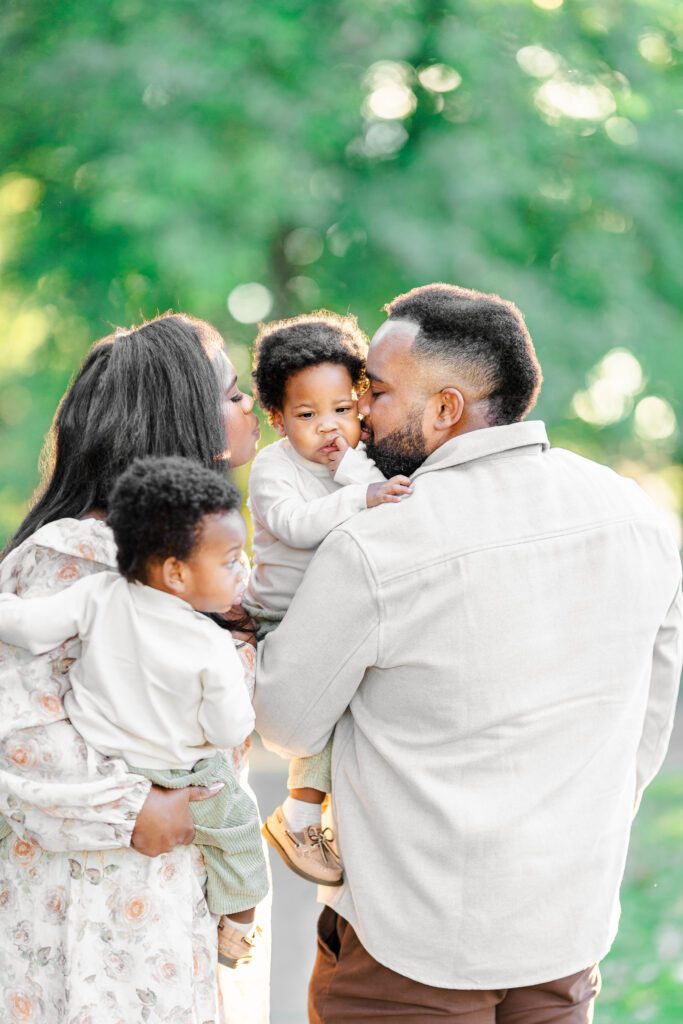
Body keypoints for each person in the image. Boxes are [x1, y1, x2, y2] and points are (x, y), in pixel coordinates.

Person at [254, 283, 683, 1023]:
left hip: (407, 950)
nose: (358, 417)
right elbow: (645, 730)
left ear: (445, 408)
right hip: (562, 935)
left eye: (376, 392)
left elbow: (285, 725)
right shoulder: (638, 518)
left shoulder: (375, 545)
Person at [0, 313, 270, 1023]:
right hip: (86, 909)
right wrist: (139, 810)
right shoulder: (71, 558)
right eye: (233, 393)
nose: (251, 409)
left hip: (167, 906)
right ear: (181, 417)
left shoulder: (202, 573)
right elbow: (21, 733)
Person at [245, 312, 411, 886]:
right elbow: (294, 525)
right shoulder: (273, 468)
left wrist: (357, 477)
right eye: (307, 416)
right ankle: (297, 817)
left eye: (342, 410)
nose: (329, 428)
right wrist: (359, 495)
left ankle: (315, 814)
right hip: (279, 616)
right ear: (277, 418)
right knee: (322, 712)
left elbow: (379, 504)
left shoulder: (353, 461)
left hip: (332, 612)